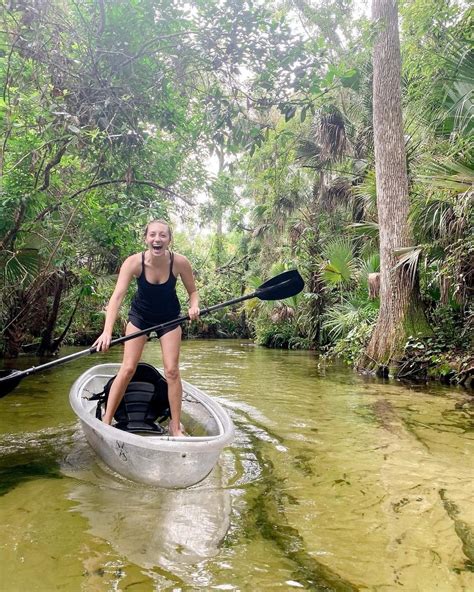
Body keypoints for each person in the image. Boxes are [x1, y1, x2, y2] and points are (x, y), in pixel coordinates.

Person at [93, 219, 200, 437]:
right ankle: (106, 421)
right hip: (140, 317)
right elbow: (117, 297)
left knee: (171, 370)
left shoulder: (180, 262)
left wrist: (194, 306)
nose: (157, 239)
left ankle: (174, 425)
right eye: (152, 235)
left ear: (169, 239)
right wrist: (106, 331)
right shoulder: (134, 262)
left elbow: (193, 292)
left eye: (162, 235)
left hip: (169, 319)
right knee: (128, 368)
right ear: (146, 238)